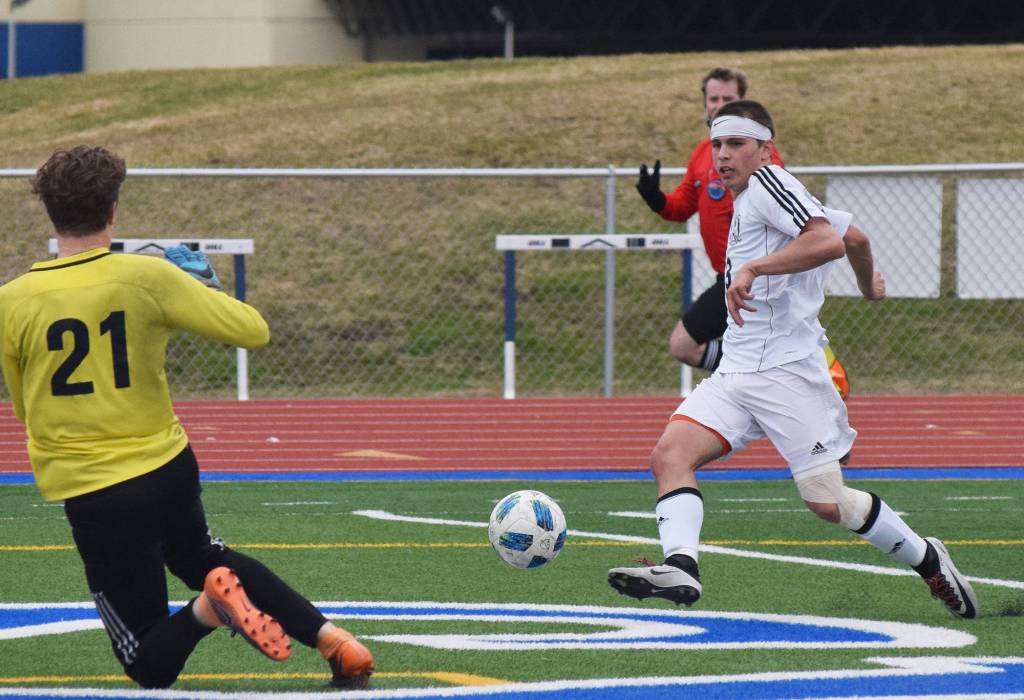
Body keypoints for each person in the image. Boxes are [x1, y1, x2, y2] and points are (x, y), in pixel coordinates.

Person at [1, 146, 375, 689]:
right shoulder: (148, 277)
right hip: (168, 466)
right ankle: (334, 640)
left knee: (146, 664)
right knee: (198, 553)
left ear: (51, 215)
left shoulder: (13, 302)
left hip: (96, 490)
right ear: (113, 210)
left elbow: (22, 402)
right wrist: (202, 287)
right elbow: (252, 331)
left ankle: (209, 609)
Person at [609, 101, 977, 620]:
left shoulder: (769, 185)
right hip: (736, 371)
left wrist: (753, 268)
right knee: (669, 457)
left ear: (765, 147)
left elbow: (826, 239)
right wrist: (866, 282)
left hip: (788, 374)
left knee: (829, 503)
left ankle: (928, 558)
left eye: (736, 143)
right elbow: (855, 237)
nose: (723, 154)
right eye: (717, 144)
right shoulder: (763, 194)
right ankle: (682, 569)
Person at [636, 67, 849, 397]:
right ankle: (771, 379)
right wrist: (656, 199)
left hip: (760, 278)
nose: (719, 105)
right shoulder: (702, 153)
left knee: (687, 344)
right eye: (713, 99)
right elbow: (682, 206)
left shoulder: (760, 157)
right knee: (687, 347)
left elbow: (791, 211)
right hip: (729, 276)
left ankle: (805, 372)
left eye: (728, 99)